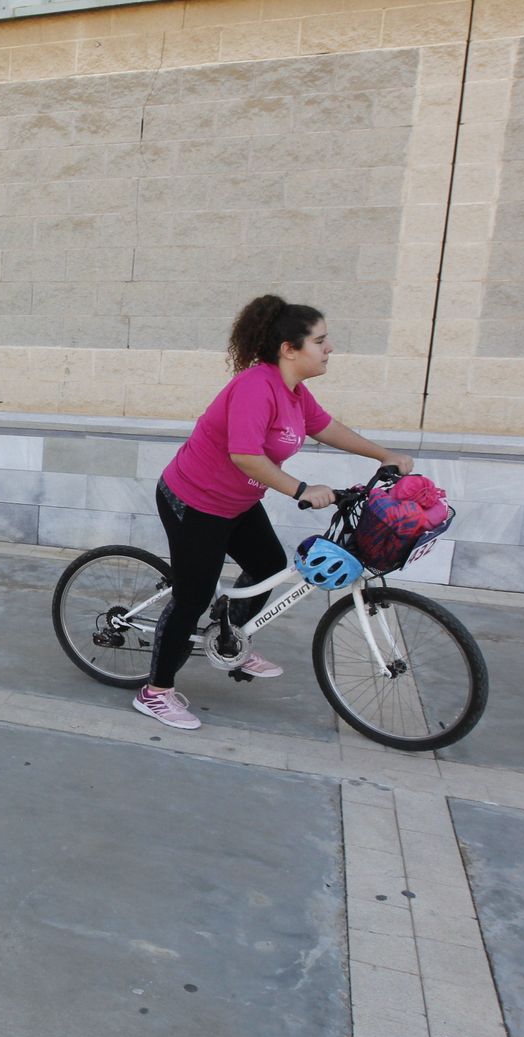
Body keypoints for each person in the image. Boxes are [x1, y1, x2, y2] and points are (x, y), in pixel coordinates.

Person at [133, 294, 414, 731]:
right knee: (193, 595)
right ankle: (156, 692)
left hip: (237, 502)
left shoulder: (296, 393)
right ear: (289, 348)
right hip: (194, 500)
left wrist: (384, 454)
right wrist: (301, 489)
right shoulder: (254, 388)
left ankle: (230, 639)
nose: (330, 348)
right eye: (320, 340)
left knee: (268, 565)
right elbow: (245, 455)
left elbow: (327, 428)